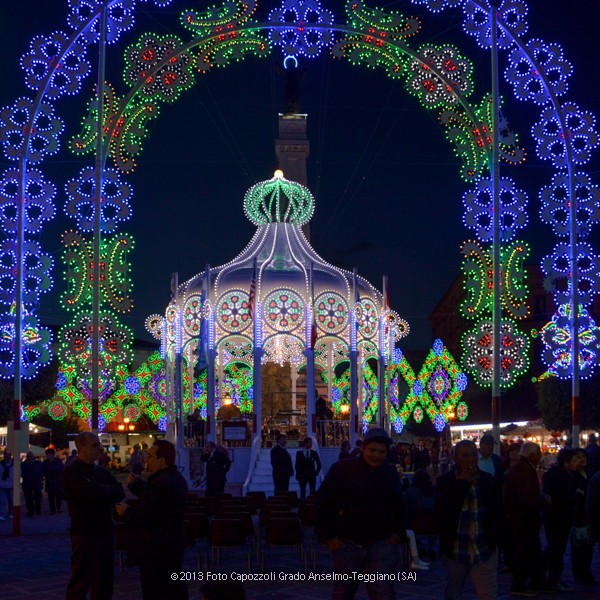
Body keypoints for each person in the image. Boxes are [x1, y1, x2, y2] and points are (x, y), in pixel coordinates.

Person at [317, 427, 407, 600]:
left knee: (383, 593)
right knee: (343, 592)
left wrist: (397, 533)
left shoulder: (389, 474)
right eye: (372, 450)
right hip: (348, 543)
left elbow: (399, 506)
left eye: (381, 452)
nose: (376, 455)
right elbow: (325, 503)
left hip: (381, 544)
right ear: (363, 449)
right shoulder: (342, 470)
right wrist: (329, 536)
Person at [118, 440, 188, 600]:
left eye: (150, 456)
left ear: (162, 460)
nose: (146, 460)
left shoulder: (164, 482)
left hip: (158, 547)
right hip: (168, 544)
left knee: (158, 588)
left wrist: (127, 511)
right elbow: (153, 498)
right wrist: (136, 486)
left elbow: (149, 512)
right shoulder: (169, 479)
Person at [435, 440, 502, 600]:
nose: (470, 460)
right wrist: (461, 485)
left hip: (484, 547)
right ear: (456, 458)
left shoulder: (486, 480)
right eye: (465, 456)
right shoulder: (446, 481)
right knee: (453, 592)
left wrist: (497, 540)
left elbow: (497, 511)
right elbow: (444, 512)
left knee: (488, 594)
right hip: (457, 548)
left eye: (473, 455)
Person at [63, 432, 125, 600]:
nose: (99, 448)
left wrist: (99, 490)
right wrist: (103, 491)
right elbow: (88, 494)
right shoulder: (72, 472)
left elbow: (118, 492)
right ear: (81, 447)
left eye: (99, 445)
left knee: (104, 579)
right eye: (94, 445)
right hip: (85, 532)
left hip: (105, 530)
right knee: (81, 579)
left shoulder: (100, 472)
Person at [504, 441, 546, 597]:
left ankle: (534, 581)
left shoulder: (522, 468)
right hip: (524, 519)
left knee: (530, 552)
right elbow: (527, 497)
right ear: (532, 455)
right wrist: (541, 500)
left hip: (523, 518)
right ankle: (519, 585)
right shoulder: (523, 470)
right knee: (524, 552)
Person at [541, 448, 579, 592]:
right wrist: (575, 496)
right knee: (556, 548)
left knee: (555, 547)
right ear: (565, 462)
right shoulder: (556, 476)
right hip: (556, 517)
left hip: (563, 516)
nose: (577, 464)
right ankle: (552, 579)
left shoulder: (571, 474)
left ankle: (544, 573)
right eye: (574, 461)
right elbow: (559, 497)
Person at [571, 449, 595, 586]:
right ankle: (579, 572)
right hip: (579, 513)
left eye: (583, 456)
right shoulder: (573, 476)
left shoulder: (589, 473)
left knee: (589, 544)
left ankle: (586, 572)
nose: (582, 459)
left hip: (590, 512)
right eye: (578, 457)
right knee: (579, 543)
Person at [42, 447, 64, 514]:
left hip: (57, 481)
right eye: (47, 454)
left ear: (52, 455)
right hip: (49, 482)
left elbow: (61, 470)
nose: (47, 456)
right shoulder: (45, 462)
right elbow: (43, 471)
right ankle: (52, 510)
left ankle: (59, 508)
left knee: (58, 496)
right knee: (50, 496)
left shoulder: (58, 461)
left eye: (49, 454)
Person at [21, 451, 43, 517]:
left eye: (31, 456)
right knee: (28, 498)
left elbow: (41, 471)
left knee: (38, 497)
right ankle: (30, 511)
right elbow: (22, 473)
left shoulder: (38, 463)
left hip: (36, 482)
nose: (30, 457)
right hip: (27, 482)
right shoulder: (23, 464)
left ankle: (38, 509)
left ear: (33, 456)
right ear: (27, 457)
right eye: (29, 456)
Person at [0, 451, 14, 520]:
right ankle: (2, 514)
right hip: (2, 485)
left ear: (10, 455)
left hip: (11, 485)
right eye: (5, 454)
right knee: (2, 501)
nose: (6, 456)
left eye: (8, 454)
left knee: (11, 501)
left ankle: (11, 513)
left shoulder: (14, 463)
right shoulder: (1, 463)